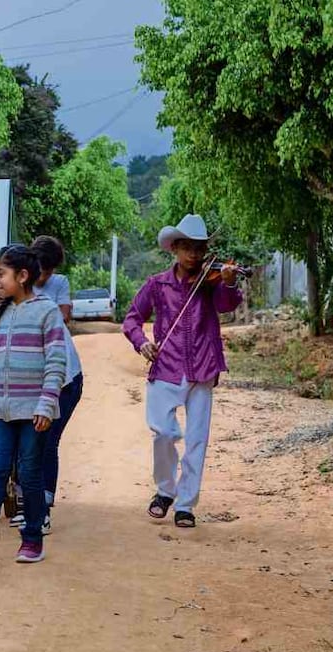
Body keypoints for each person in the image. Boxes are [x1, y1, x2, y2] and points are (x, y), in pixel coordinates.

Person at [122, 214, 242, 529]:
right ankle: (165, 490)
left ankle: (185, 505)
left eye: (199, 249)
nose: (194, 255)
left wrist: (228, 281)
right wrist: (141, 342)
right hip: (166, 366)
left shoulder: (210, 282)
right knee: (163, 432)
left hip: (203, 366)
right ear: (174, 248)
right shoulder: (157, 284)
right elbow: (132, 318)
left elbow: (227, 304)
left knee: (197, 439)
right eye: (188, 248)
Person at [0, 245, 66, 565]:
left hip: (33, 411)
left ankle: (32, 538)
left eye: (1, 274)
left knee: (30, 473)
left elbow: (56, 362)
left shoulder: (47, 312)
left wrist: (46, 405)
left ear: (22, 275)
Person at [26, 235, 85, 535]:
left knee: (47, 441)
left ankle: (43, 509)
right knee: (30, 443)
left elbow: (62, 315)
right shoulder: (20, 284)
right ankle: (30, 504)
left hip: (65, 380)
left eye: (49, 271)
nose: (45, 276)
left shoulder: (51, 286)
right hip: (37, 379)